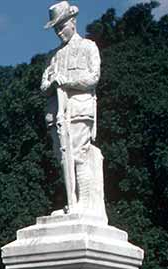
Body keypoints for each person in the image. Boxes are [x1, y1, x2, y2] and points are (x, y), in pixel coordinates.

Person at [40, 1, 107, 221]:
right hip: (56, 113)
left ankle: (84, 204)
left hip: (79, 109)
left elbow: (92, 77)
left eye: (62, 26)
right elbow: (43, 86)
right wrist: (52, 84)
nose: (59, 32)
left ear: (73, 22)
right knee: (63, 159)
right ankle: (72, 201)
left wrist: (67, 81)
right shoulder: (53, 56)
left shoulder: (88, 47)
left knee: (78, 155)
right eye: (56, 29)